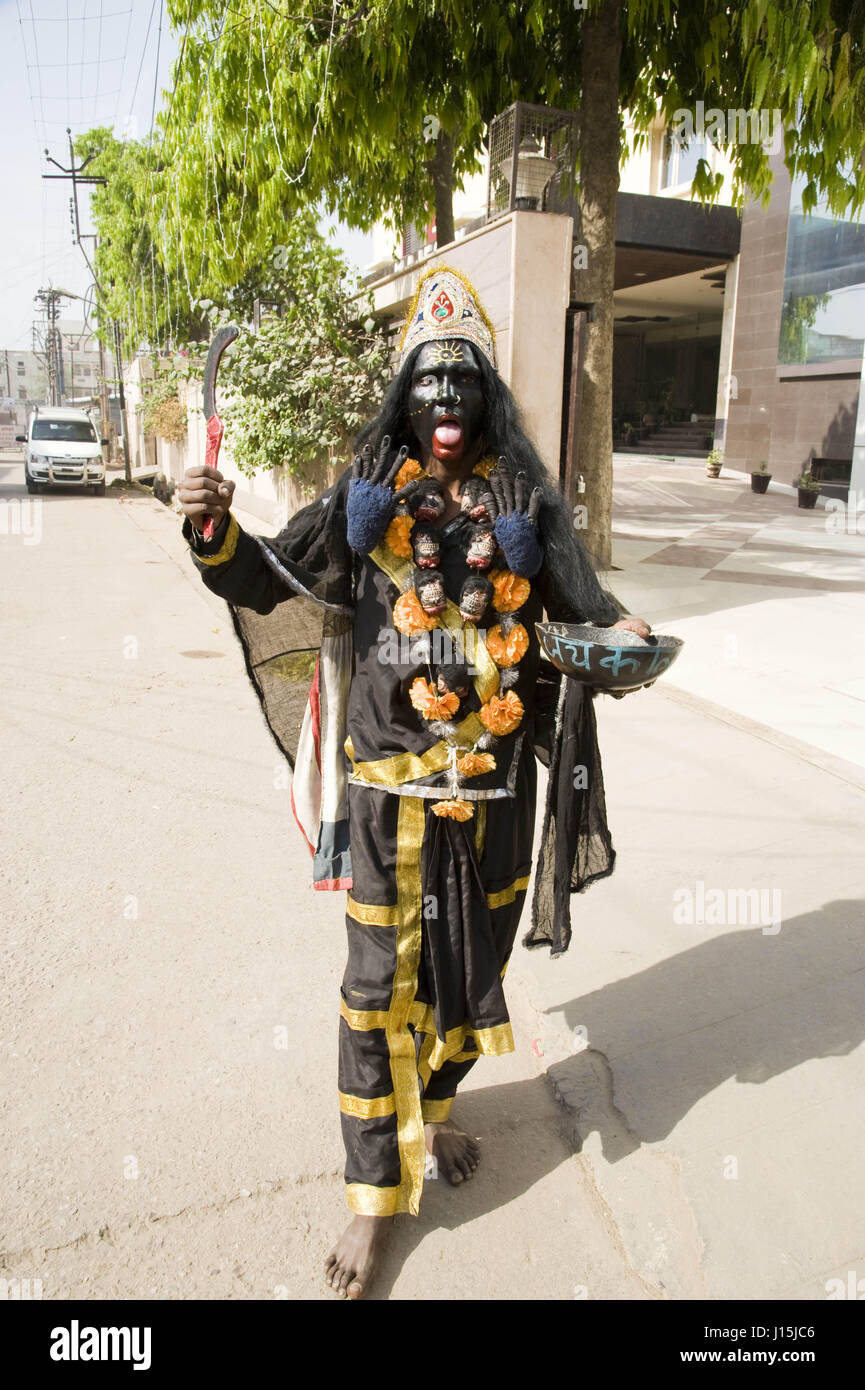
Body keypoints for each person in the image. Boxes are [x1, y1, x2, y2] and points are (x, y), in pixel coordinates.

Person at [177, 265, 650, 1299]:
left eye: (462, 383)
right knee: (374, 994)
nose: (445, 402)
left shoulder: (523, 502)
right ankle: (371, 1201)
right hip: (389, 795)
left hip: (495, 801)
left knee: (463, 975)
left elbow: (588, 610)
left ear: (486, 397)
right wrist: (212, 528)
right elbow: (265, 577)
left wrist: (627, 636)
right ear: (406, 397)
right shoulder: (367, 496)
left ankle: (430, 1118)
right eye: (429, 384)